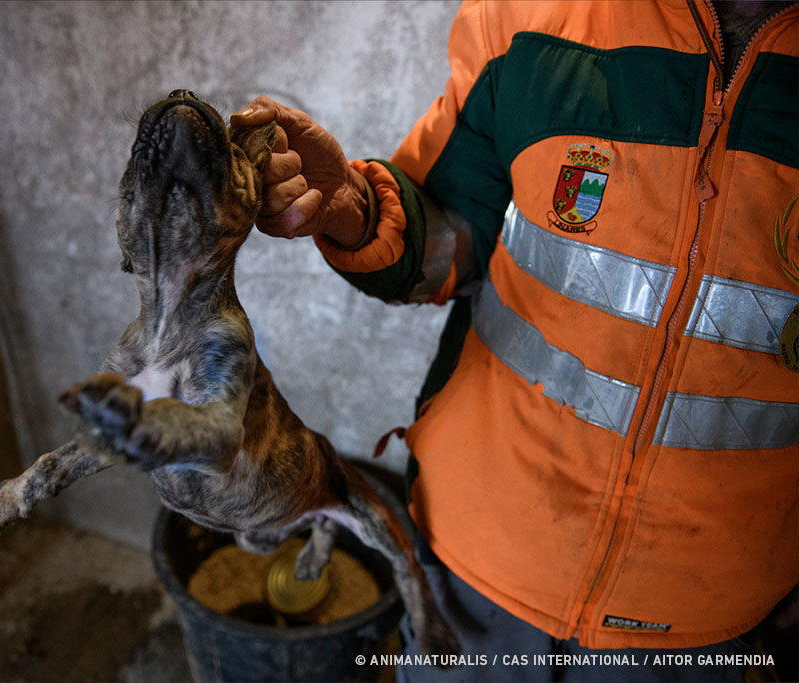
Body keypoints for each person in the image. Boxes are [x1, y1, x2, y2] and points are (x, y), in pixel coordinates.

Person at [230, 1, 799, 681]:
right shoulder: (532, 18)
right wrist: (349, 204)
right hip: (473, 567)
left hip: (706, 623)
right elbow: (450, 237)